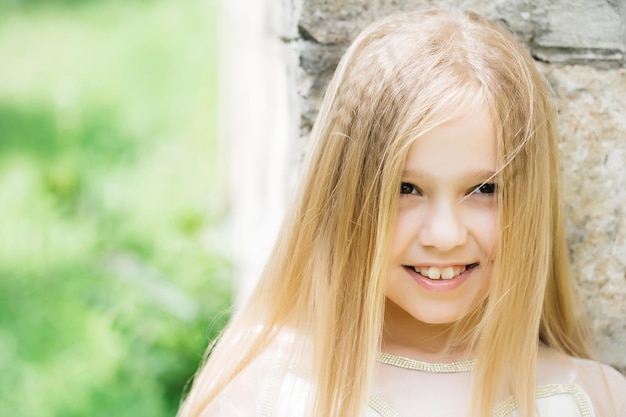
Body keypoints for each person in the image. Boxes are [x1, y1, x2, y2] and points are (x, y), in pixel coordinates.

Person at [178, 9, 626, 417]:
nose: (445, 235)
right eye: (406, 188)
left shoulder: (591, 399)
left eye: (486, 189)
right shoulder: (264, 394)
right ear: (344, 194)